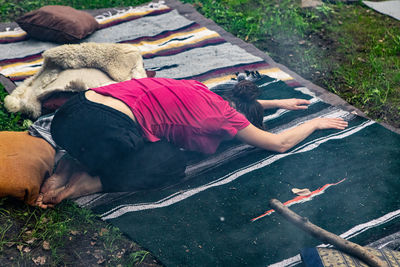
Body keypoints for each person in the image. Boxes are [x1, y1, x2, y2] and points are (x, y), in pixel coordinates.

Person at [36, 78, 347, 208]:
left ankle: (67, 165)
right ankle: (86, 184)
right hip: (104, 132)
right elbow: (278, 143)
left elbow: (238, 104)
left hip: (70, 118)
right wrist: (315, 122)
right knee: (169, 161)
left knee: (135, 134)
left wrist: (275, 102)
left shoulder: (198, 88)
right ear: (241, 118)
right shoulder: (227, 117)